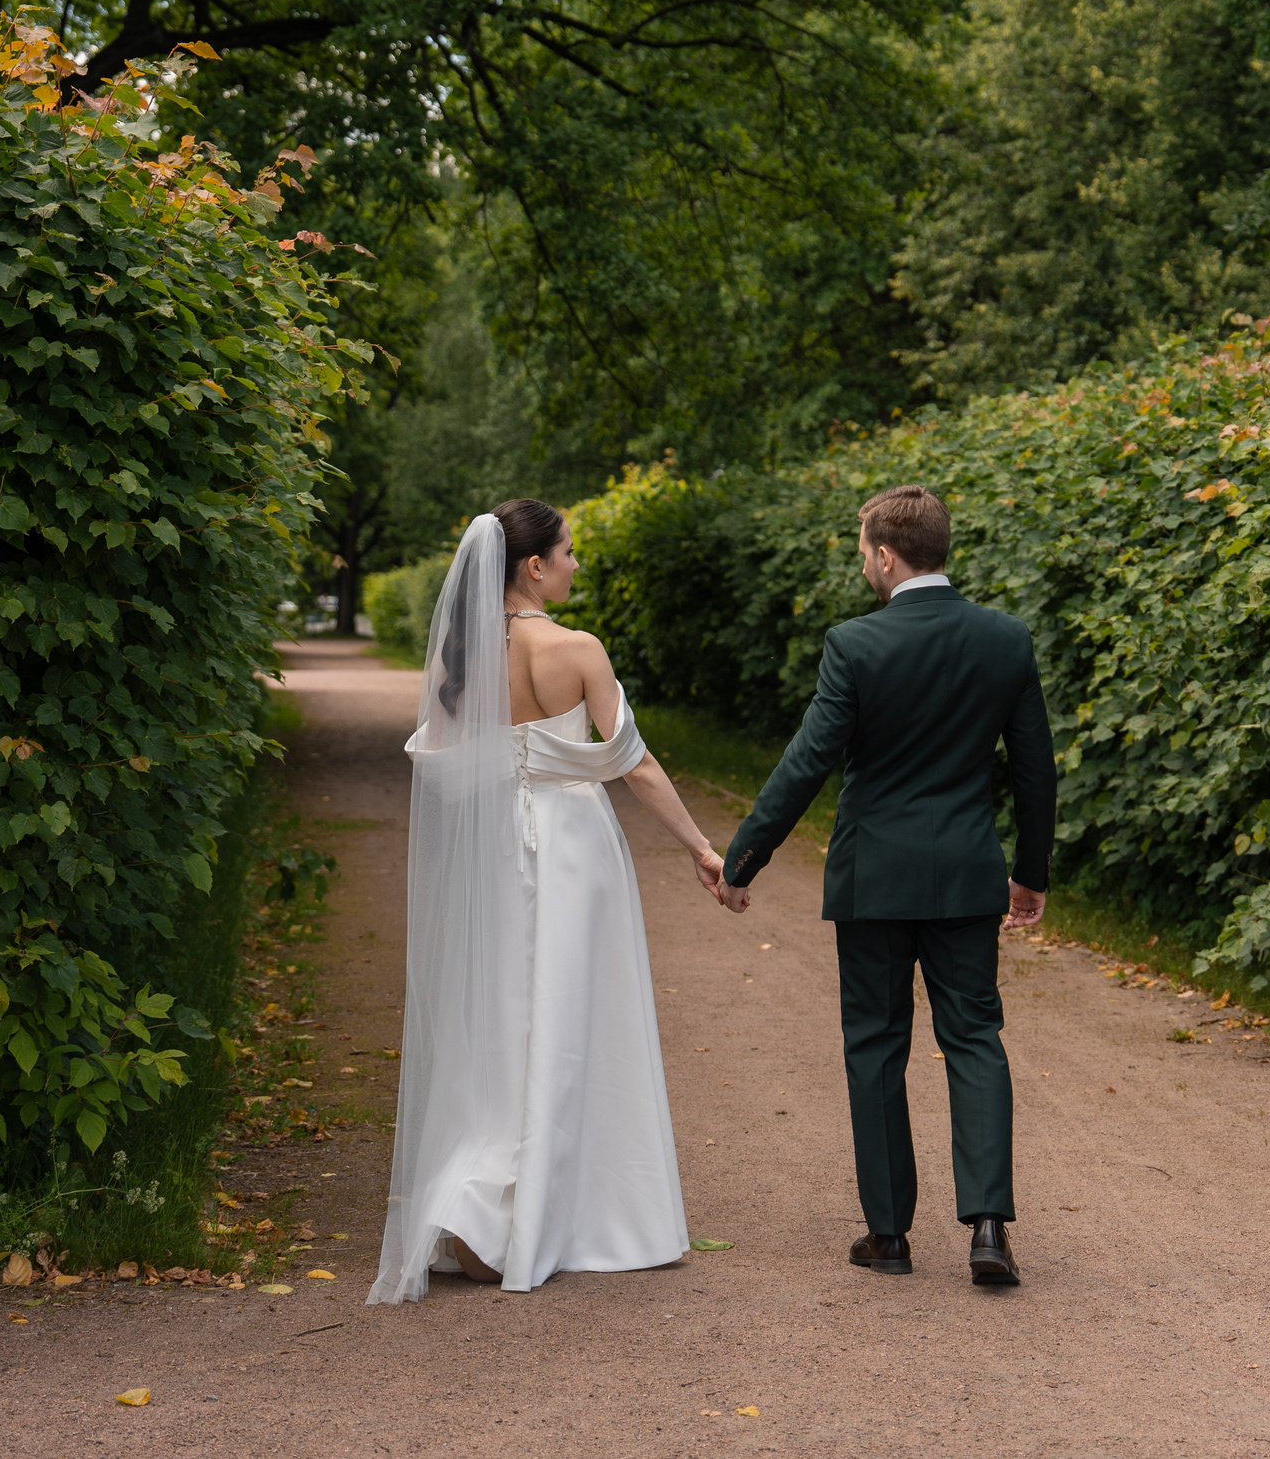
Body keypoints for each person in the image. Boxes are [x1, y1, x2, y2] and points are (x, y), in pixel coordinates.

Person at [370, 499, 730, 1302]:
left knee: (504, 1015)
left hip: (498, 847)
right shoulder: (578, 649)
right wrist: (701, 847)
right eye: (566, 552)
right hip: (573, 846)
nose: (574, 564)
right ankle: (575, 1211)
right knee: (576, 1013)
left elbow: (447, 765)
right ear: (533, 566)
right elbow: (633, 763)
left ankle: (488, 1203)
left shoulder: (463, 655)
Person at [720, 484, 1055, 1286]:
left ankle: (889, 1234)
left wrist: (743, 858)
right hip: (967, 873)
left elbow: (809, 760)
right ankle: (988, 1226)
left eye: (862, 551)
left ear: (885, 553)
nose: (862, 564)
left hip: (873, 876)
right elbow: (1035, 769)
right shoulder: (1005, 638)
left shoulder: (855, 644)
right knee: (974, 1037)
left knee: (875, 1042)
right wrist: (1030, 872)